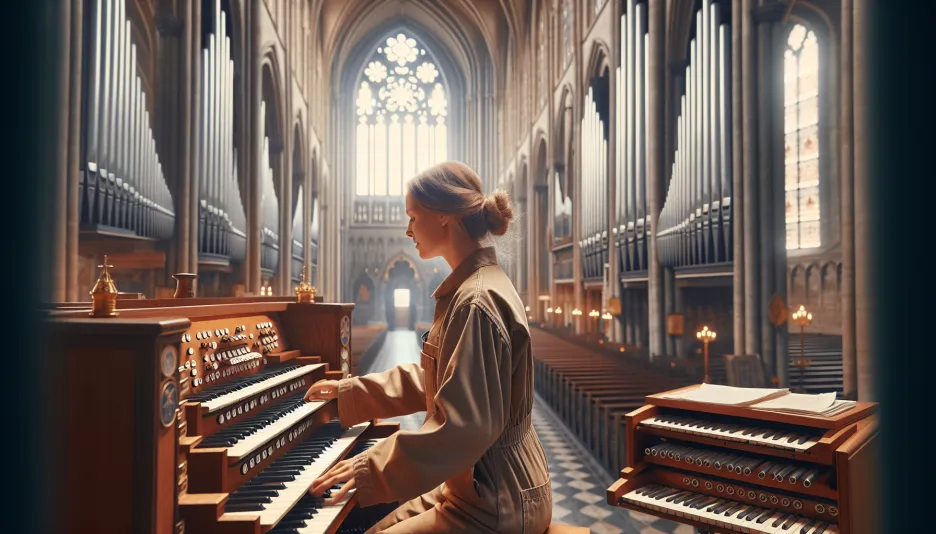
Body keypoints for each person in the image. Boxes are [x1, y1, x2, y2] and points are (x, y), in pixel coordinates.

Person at [303, 161, 552, 533]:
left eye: (413, 217)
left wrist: (368, 467)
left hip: (497, 498)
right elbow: (437, 380)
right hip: (479, 482)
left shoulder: (476, 300)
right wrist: (350, 394)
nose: (407, 230)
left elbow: (462, 428)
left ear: (443, 218)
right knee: (369, 522)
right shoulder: (473, 286)